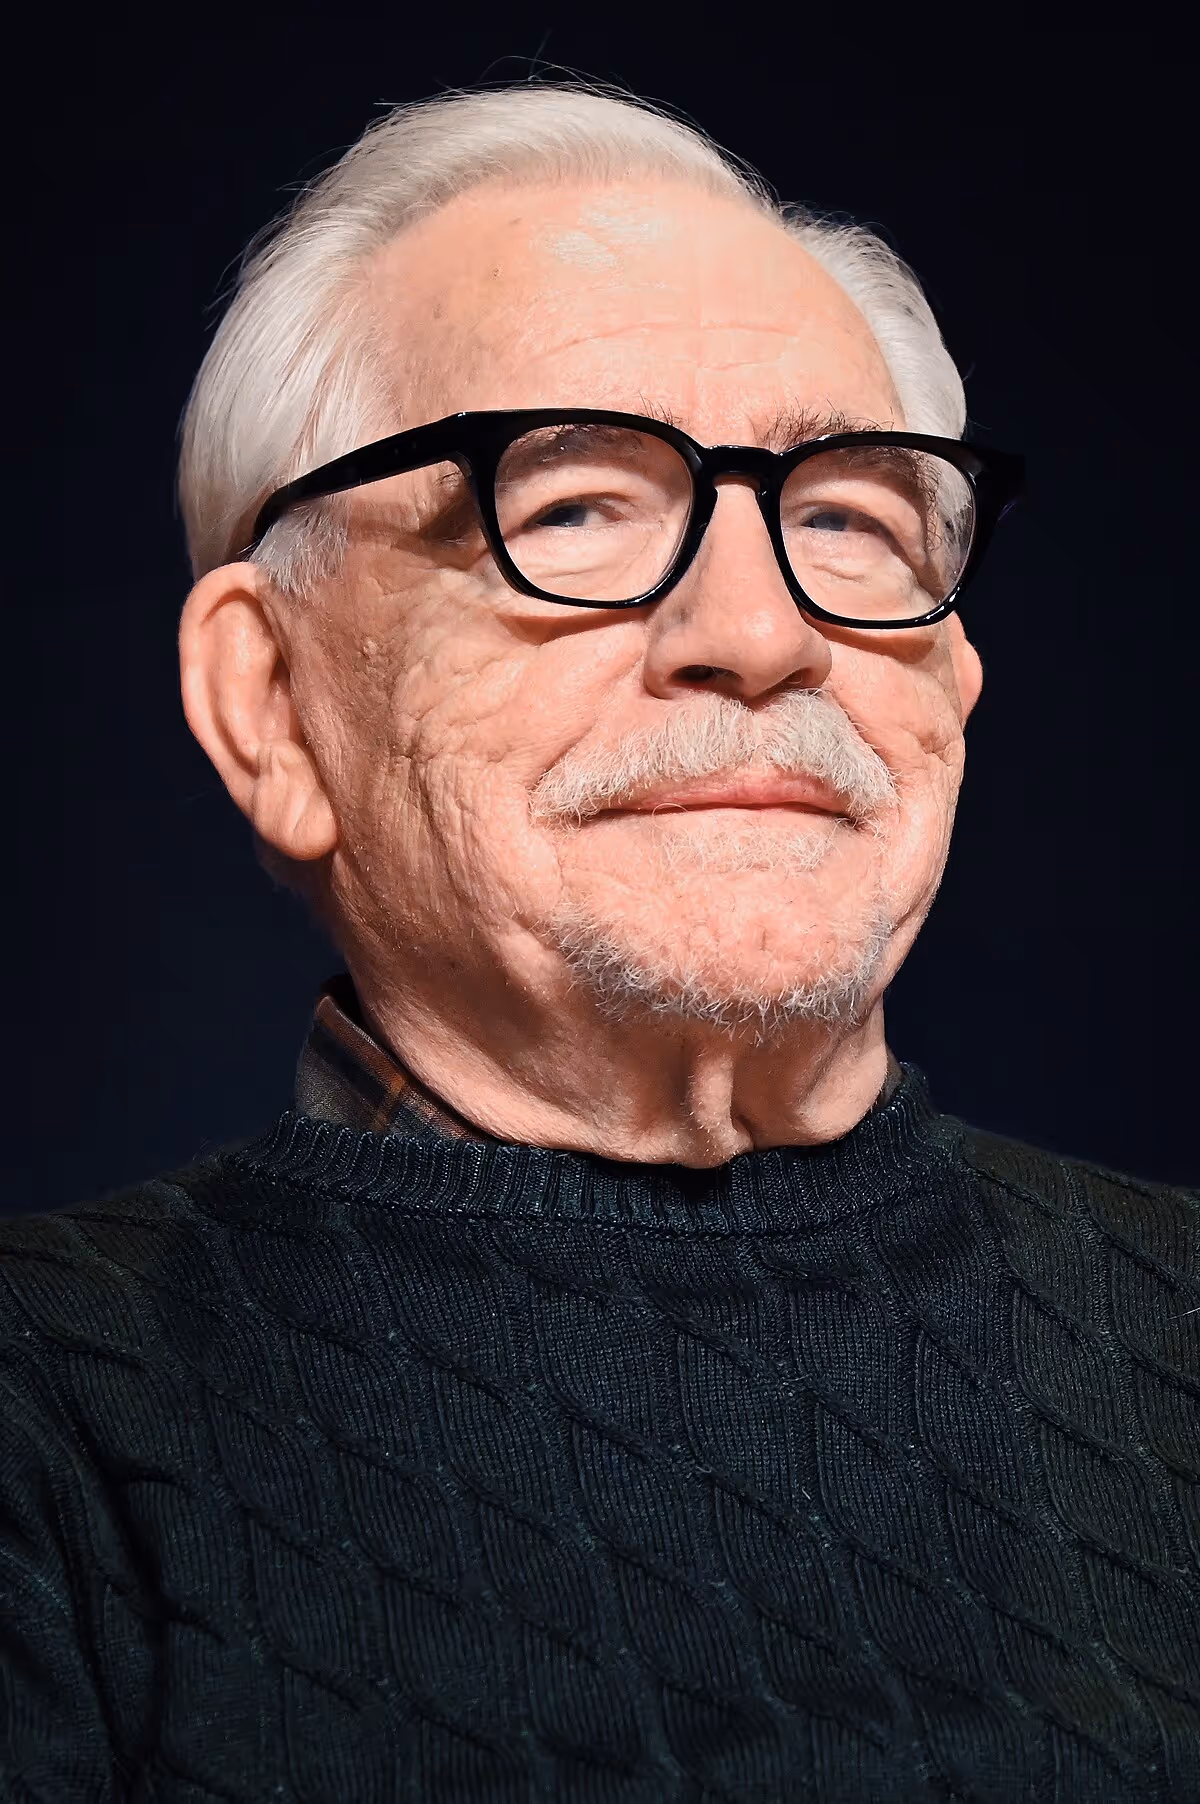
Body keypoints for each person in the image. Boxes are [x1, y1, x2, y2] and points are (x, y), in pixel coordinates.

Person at [1, 82, 1196, 1803]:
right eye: (570, 509)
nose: (759, 632)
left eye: (847, 521)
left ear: (952, 686)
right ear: (273, 704)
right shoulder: (48, 1426)